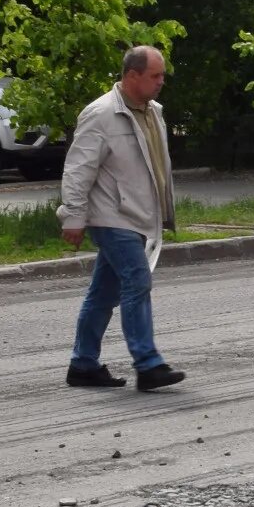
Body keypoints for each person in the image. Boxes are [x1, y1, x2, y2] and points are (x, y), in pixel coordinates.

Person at [57, 44, 185, 392]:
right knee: (137, 280)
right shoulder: (101, 114)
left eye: (162, 75)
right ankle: (148, 363)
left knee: (103, 293)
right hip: (111, 215)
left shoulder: (153, 112)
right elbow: (78, 169)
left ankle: (83, 364)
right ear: (132, 76)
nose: (161, 82)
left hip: (139, 214)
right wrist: (73, 217)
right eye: (155, 75)